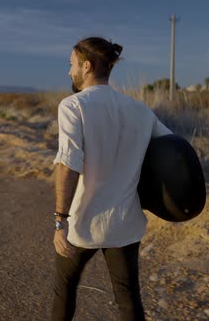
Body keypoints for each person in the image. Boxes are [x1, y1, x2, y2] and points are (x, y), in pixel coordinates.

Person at [51, 37, 172, 321]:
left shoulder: (72, 106)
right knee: (128, 297)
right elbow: (173, 150)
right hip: (125, 223)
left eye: (71, 65)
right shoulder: (141, 110)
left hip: (82, 224)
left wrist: (60, 220)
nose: (69, 72)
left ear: (87, 66)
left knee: (65, 289)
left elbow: (68, 165)